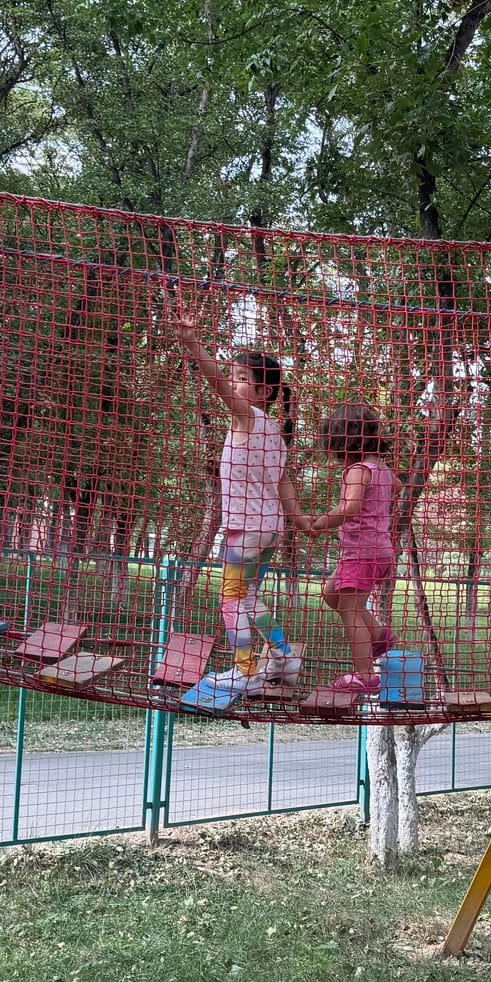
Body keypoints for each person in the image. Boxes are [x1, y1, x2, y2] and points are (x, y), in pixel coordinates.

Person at [169, 293, 302, 698]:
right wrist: (300, 520)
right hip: (268, 530)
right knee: (249, 599)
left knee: (230, 600)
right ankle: (283, 656)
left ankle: (245, 671)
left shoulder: (247, 416)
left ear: (263, 393)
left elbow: (215, 383)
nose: (235, 383)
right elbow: (283, 484)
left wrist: (192, 344)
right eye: (236, 375)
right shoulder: (275, 434)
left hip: (244, 531)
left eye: (243, 378)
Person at [300, 403, 395, 696]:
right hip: (378, 551)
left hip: (361, 554)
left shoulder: (357, 470)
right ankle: (380, 636)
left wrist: (319, 523)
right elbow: (398, 488)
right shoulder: (382, 470)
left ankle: (366, 675)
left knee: (351, 610)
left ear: (345, 442)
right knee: (332, 595)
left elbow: (350, 508)